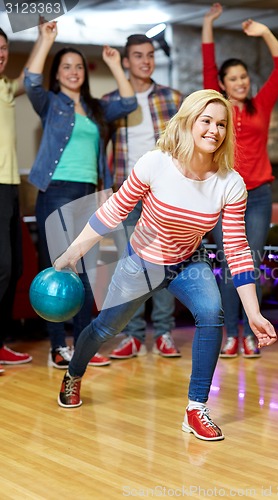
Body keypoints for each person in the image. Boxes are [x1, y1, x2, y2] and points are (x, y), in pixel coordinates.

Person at [54, 89, 277, 442]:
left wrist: (252, 313)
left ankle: (196, 408)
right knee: (104, 329)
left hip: (189, 261)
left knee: (211, 311)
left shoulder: (230, 183)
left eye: (221, 124)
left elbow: (236, 248)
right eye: (206, 121)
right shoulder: (155, 163)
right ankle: (74, 373)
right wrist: (71, 254)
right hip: (141, 263)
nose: (213, 130)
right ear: (189, 122)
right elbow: (113, 211)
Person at [24, 21, 138, 368]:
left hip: (90, 196)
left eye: (77, 67)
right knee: (57, 271)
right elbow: (30, 80)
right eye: (66, 67)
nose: (73, 72)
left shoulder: (96, 109)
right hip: (55, 192)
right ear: (57, 74)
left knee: (86, 275)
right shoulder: (50, 103)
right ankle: (59, 347)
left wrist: (116, 64)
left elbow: (129, 101)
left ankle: (83, 347)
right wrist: (46, 40)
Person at [202, 3, 278, 358]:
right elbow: (208, 63)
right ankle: (229, 335)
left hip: (258, 196)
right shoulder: (217, 108)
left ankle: (250, 333)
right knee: (228, 264)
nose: (240, 82)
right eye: (233, 78)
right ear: (222, 85)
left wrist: (265, 32)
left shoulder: (262, 104)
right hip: (224, 196)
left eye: (244, 77)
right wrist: (208, 23)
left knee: (250, 261)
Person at [103, 34, 183, 360]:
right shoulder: (111, 102)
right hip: (127, 191)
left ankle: (163, 333)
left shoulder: (173, 98)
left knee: (163, 264)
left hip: (163, 193)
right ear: (126, 61)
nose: (145, 61)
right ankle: (133, 335)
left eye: (150, 55)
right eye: (138, 56)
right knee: (130, 266)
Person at [0, 26, 43, 372]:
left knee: (13, 269)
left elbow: (28, 76)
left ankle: (1, 343)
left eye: (3, 48)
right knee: (1, 268)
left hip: (11, 187)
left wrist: (44, 38)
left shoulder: (4, 88)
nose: (0, 53)